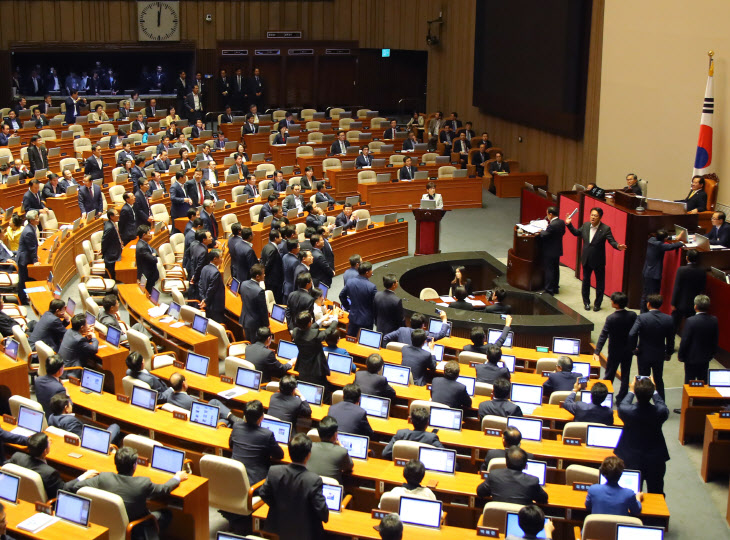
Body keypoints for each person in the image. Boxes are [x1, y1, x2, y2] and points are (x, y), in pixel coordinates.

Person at [71, 446, 187, 540]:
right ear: (134, 466)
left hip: (104, 524)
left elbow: (77, 486)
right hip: (134, 528)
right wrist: (177, 478)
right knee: (166, 514)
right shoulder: (142, 483)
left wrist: (84, 476)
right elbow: (164, 489)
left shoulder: (103, 478)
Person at [259, 434, 328, 540]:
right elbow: (323, 514)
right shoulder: (313, 480)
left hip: (277, 526)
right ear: (308, 455)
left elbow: (263, 493)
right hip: (305, 532)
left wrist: (278, 506)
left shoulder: (274, 471)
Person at [614, 377, 669, 494]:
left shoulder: (625, 411)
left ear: (635, 393)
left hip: (630, 457)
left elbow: (624, 403)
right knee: (656, 492)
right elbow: (661, 404)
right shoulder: (660, 412)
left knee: (630, 492)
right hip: (655, 458)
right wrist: (654, 390)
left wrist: (631, 390)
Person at [566, 206, 627, 311]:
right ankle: (586, 303)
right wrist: (569, 224)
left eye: (595, 216)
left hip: (598, 261)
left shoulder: (605, 228)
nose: (593, 217)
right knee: (585, 282)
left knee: (600, 284)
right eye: (592, 215)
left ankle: (598, 304)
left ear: (600, 217)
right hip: (586, 259)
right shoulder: (585, 225)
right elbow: (577, 233)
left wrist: (617, 246)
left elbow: (611, 241)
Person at [6, 432, 98, 500]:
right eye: (48, 443)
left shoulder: (17, 456)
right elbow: (63, 490)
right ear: (45, 451)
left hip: (20, 496)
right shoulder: (49, 473)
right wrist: (83, 476)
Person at [594, 291, 637, 404]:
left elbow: (604, 335)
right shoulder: (632, 315)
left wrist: (597, 351)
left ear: (616, 304)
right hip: (628, 350)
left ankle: (606, 396)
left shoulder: (611, 318)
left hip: (614, 351)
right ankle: (621, 398)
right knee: (625, 374)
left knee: (610, 374)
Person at [628, 294, 674, 400]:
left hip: (643, 354)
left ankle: (643, 402)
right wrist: (669, 353)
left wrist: (633, 348)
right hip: (659, 354)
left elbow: (632, 334)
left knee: (644, 380)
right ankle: (661, 403)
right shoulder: (668, 319)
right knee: (658, 379)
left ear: (648, 304)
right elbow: (671, 339)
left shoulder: (641, 318)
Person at [229, 400, 284, 486]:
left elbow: (231, 444)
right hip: (254, 485)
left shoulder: (236, 426)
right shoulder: (267, 434)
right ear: (261, 418)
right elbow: (279, 455)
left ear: (245, 416)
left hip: (234, 479)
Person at [476, 446, 549, 504]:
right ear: (525, 466)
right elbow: (543, 499)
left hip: (497, 519)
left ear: (506, 463)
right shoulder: (532, 481)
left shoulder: (494, 475)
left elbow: (480, 492)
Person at [292, 309, 340, 387]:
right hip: (316, 370)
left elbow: (306, 330)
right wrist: (335, 316)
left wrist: (322, 319)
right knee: (321, 390)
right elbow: (330, 330)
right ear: (309, 323)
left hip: (303, 367)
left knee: (304, 386)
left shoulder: (295, 332)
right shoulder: (315, 336)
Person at [48, 393, 121, 443]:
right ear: (66, 408)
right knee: (115, 426)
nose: (71, 405)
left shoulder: (51, 417)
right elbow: (83, 440)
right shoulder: (70, 421)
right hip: (94, 442)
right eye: (70, 404)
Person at [678, 294, 718, 384]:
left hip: (690, 358)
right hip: (705, 358)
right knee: (703, 381)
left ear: (695, 306)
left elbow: (685, 340)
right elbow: (715, 340)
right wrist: (711, 355)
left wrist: (681, 356)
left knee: (689, 382)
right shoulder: (714, 320)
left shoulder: (690, 321)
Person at [641, 230, 683, 312]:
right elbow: (672, 246)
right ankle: (648, 313)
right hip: (654, 275)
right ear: (663, 239)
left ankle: (643, 312)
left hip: (647, 271)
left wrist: (675, 237)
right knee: (653, 296)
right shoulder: (659, 245)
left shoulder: (651, 239)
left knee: (645, 294)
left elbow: (665, 240)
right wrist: (681, 242)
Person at [307, 415, 354, 483]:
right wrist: (341, 446)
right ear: (335, 435)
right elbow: (349, 467)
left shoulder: (309, 447)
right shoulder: (341, 451)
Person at [671, 248, 706, 333]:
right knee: (690, 328)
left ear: (687, 258)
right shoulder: (702, 271)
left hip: (680, 303)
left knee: (673, 327)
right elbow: (702, 288)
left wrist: (673, 303)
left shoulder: (681, 270)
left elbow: (677, 287)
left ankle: (670, 345)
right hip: (694, 304)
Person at [339, 261, 377, 337]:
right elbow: (376, 303)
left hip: (353, 317)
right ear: (367, 272)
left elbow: (341, 295)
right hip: (367, 320)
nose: (372, 272)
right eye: (371, 270)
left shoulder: (350, 282)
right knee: (365, 342)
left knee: (351, 339)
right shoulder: (371, 287)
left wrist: (348, 307)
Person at [383, 311, 450, 347]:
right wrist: (444, 319)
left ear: (410, 322)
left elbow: (385, 338)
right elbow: (441, 334)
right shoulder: (424, 334)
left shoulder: (401, 330)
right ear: (423, 325)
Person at [539, 206, 566, 296]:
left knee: (549, 270)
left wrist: (541, 230)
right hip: (557, 250)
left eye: (547, 214)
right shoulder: (561, 222)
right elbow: (561, 233)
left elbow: (544, 235)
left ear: (550, 214)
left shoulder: (552, 225)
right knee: (555, 269)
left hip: (549, 251)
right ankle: (555, 287)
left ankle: (548, 290)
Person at [239, 264, 269, 342]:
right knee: (255, 344)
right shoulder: (259, 291)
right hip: (255, 324)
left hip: (245, 319)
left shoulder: (243, 284)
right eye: (263, 273)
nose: (264, 275)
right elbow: (263, 310)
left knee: (249, 342)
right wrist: (267, 325)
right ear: (257, 276)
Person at [198, 249, 225, 323]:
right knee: (216, 324)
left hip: (208, 304)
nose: (222, 259)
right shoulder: (215, 273)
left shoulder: (204, 268)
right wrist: (206, 300)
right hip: (215, 305)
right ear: (215, 259)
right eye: (221, 257)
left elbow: (200, 284)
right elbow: (211, 289)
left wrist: (203, 298)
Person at [260, 229, 284, 303]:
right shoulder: (273, 250)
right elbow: (268, 265)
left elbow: (262, 260)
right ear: (276, 238)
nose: (281, 238)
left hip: (269, 279)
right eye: (280, 237)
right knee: (275, 299)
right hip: (273, 281)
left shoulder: (266, 246)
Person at [135, 225, 159, 293]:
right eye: (149, 233)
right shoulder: (142, 247)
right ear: (144, 235)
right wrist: (154, 255)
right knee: (148, 292)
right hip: (147, 275)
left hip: (149, 274)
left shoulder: (143, 243)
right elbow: (154, 259)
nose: (150, 235)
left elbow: (153, 249)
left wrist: (153, 253)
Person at [101, 208, 123, 280]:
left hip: (115, 250)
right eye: (116, 214)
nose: (118, 215)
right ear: (111, 216)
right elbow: (104, 240)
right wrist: (103, 252)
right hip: (111, 255)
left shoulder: (111, 224)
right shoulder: (109, 227)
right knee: (110, 275)